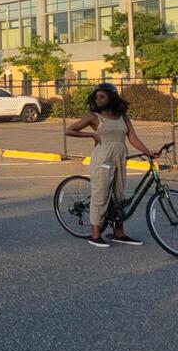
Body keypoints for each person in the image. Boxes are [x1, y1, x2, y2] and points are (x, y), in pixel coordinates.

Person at [64, 83, 158, 248]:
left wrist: (148, 151)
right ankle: (95, 235)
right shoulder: (94, 117)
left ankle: (119, 233)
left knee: (119, 197)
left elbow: (133, 138)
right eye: (96, 97)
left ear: (112, 98)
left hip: (120, 159)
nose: (98, 100)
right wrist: (92, 135)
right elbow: (70, 130)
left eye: (102, 97)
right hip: (102, 160)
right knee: (100, 196)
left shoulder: (123, 117)